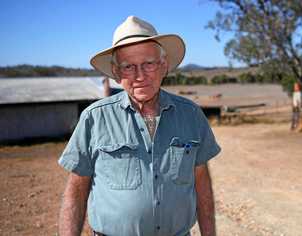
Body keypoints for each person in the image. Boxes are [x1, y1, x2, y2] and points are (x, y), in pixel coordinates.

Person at [58, 16, 221, 236]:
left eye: (148, 64)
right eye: (128, 67)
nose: (139, 75)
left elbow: (202, 187)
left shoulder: (191, 115)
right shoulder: (94, 119)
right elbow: (75, 193)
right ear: (116, 73)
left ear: (163, 65)